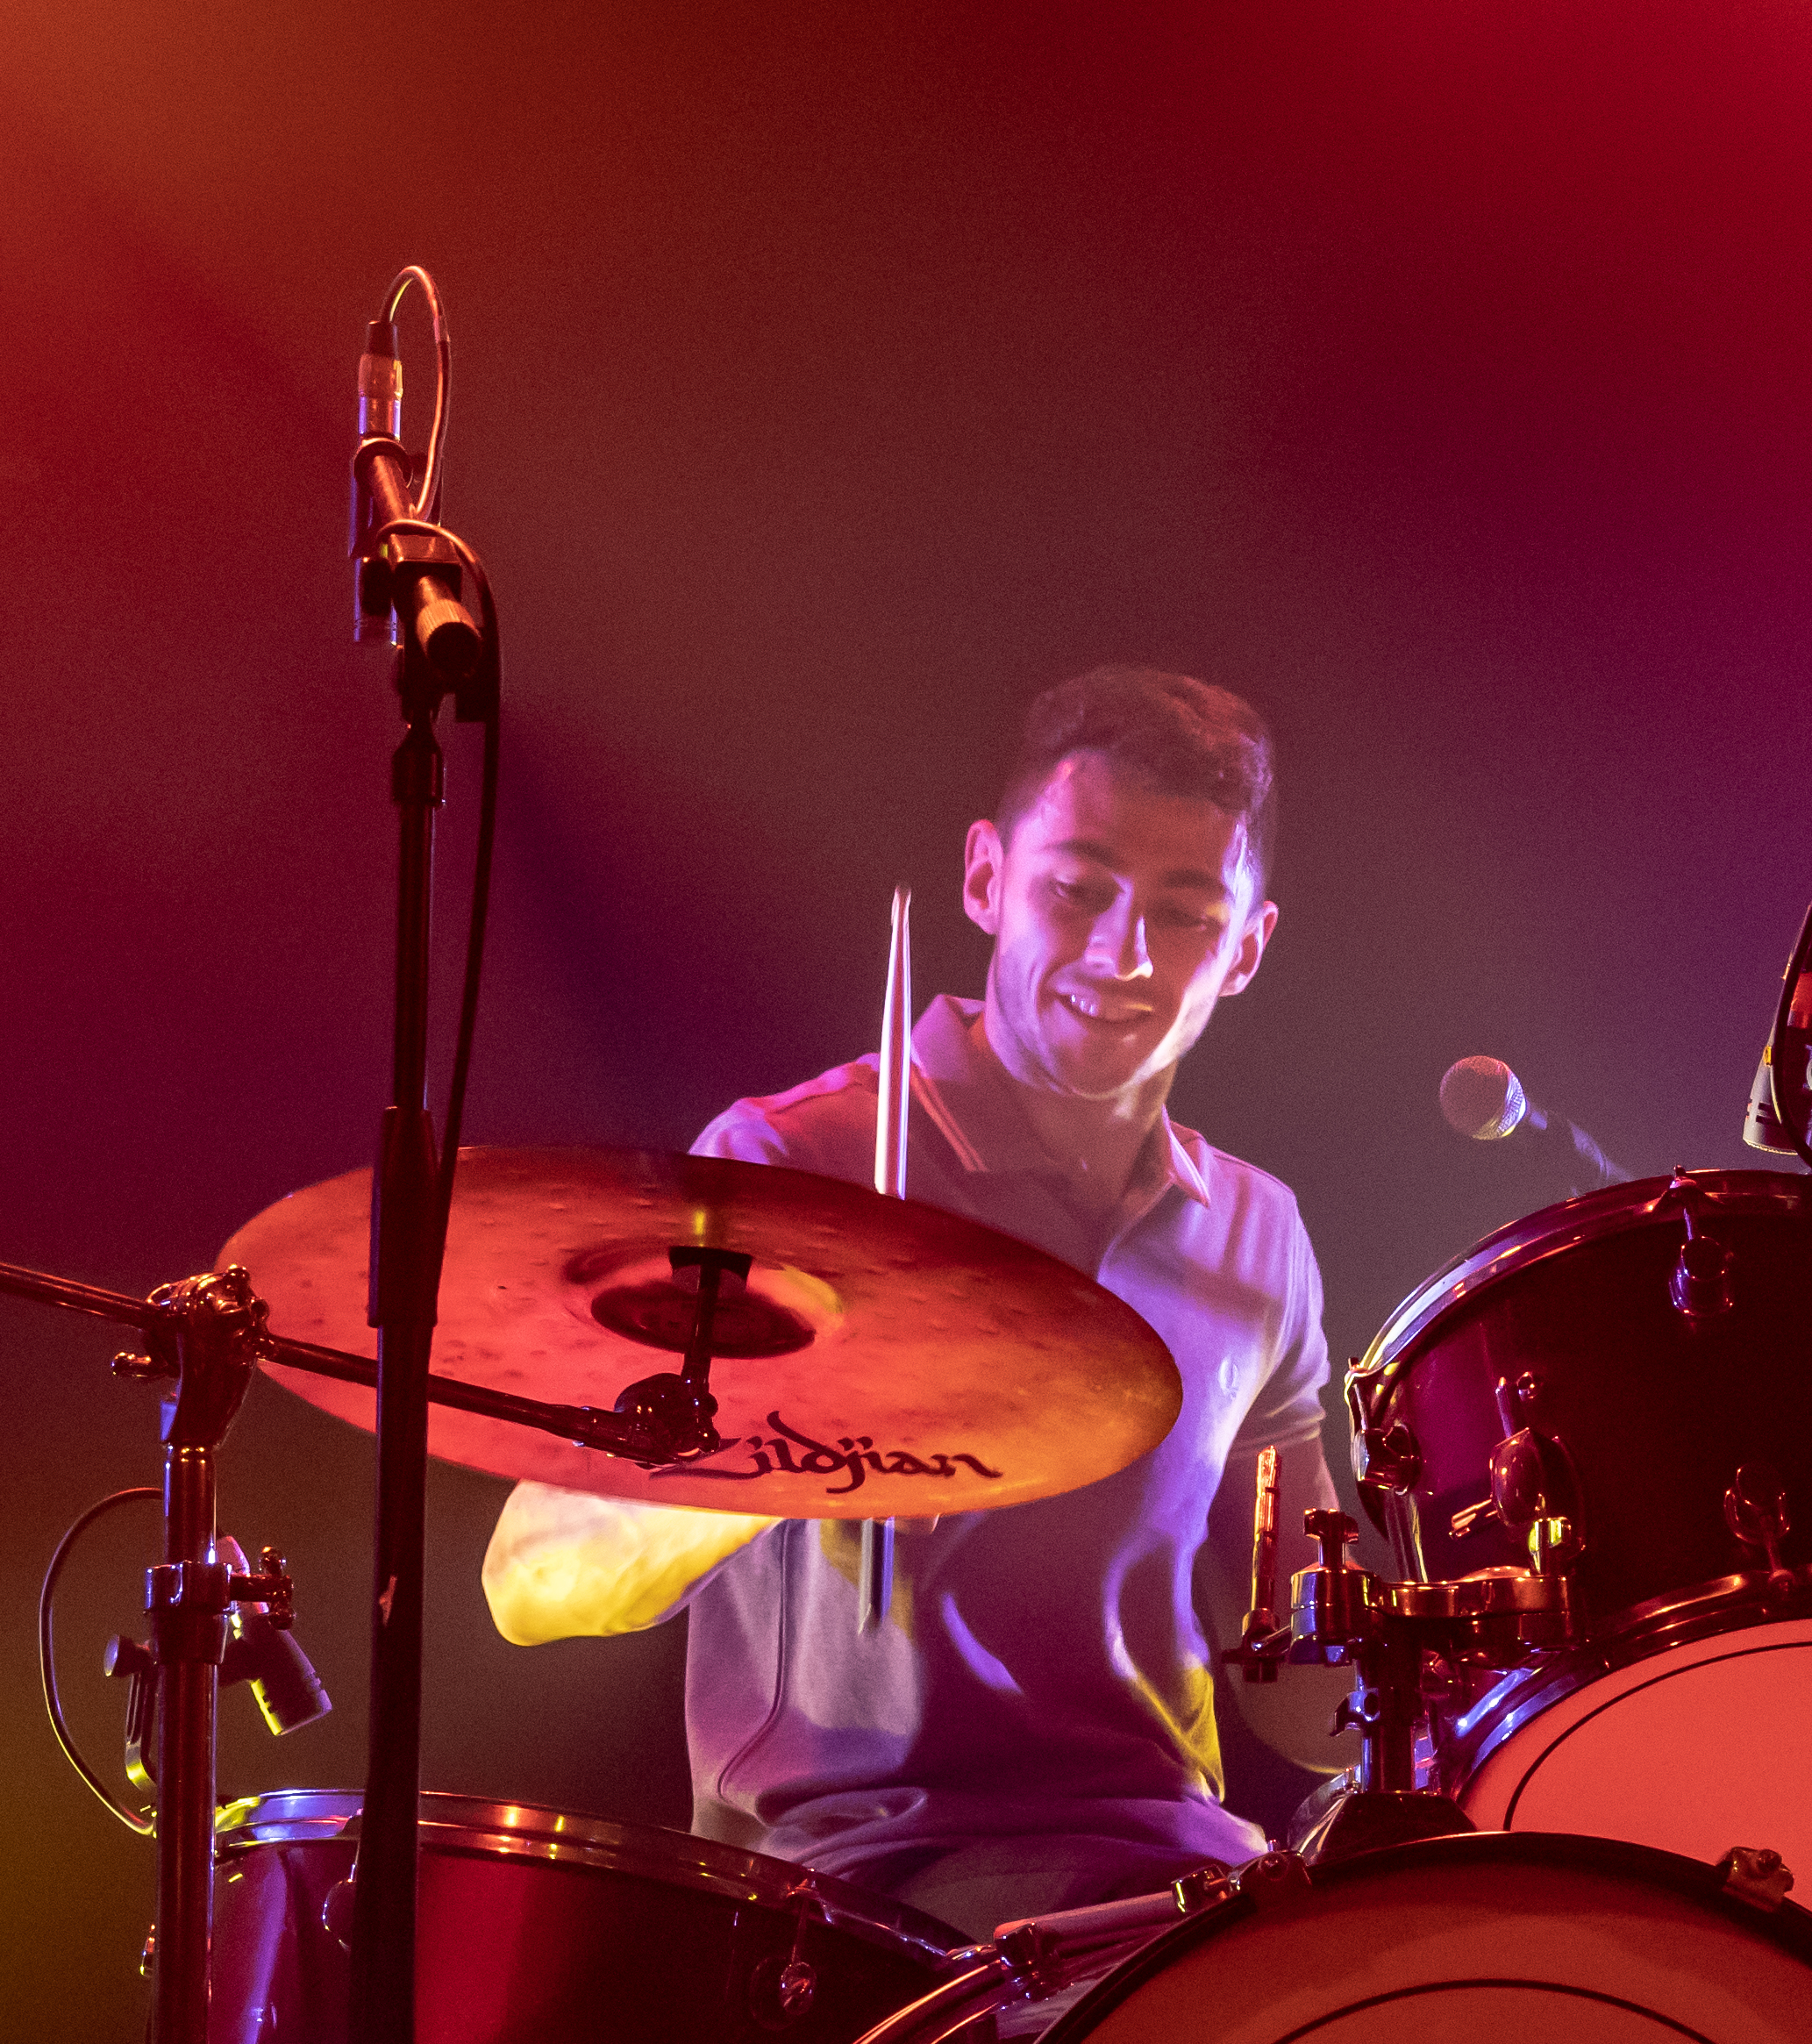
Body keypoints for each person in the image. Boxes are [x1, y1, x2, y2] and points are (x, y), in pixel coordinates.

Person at [481, 667, 1351, 1934]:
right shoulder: (792, 1168)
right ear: (987, 878)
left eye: (1184, 914)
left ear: (1249, 951)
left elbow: (1307, 1706)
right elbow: (532, 1578)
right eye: (1078, 889)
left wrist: (1472, 1654)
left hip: (1165, 1888)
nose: (1123, 954)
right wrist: (795, 1434)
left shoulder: (1258, 1233)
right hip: (854, 1895)